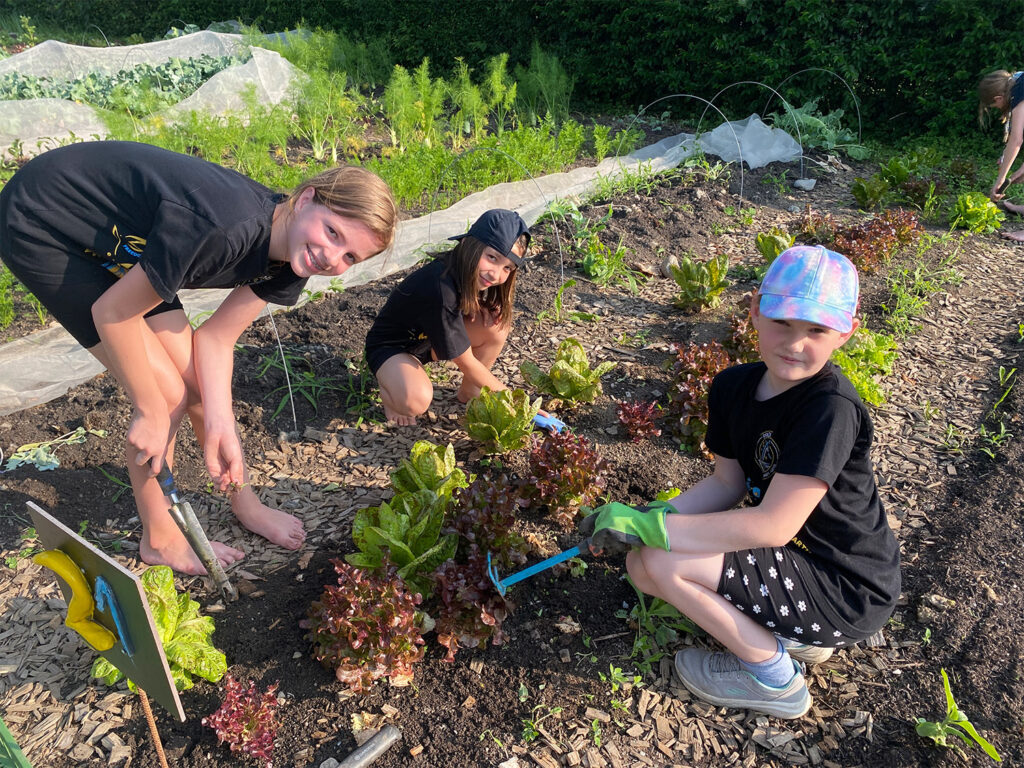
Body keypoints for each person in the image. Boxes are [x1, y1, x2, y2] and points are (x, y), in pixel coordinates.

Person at [0, 140, 398, 575]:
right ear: (305, 200)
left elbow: (215, 340)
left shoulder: (293, 256)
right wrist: (148, 409)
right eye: (333, 233)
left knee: (201, 388)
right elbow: (112, 314)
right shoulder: (223, 229)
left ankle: (244, 502)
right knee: (167, 395)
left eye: (349, 257)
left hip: (118, 236)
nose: (330, 257)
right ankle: (161, 537)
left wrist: (222, 421)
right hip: (43, 219)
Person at [581, 246, 901, 720]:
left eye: (816, 330)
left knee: (662, 563)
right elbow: (726, 483)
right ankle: (795, 635)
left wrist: (659, 534)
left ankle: (775, 679)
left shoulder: (829, 409)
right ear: (754, 310)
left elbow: (773, 526)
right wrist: (655, 515)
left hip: (848, 586)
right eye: (782, 323)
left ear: (846, 333)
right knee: (641, 568)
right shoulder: (732, 387)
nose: (795, 343)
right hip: (799, 564)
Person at [365, 208, 530, 426]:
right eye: (492, 257)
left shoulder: (464, 273)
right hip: (392, 348)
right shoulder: (439, 286)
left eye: (507, 268)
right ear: (470, 245)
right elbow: (466, 362)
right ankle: (391, 395)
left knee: (496, 323)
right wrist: (517, 404)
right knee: (416, 400)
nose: (496, 274)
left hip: (428, 340)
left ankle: (470, 390)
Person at [978, 70, 1024, 241]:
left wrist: (1000, 180)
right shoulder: (1018, 80)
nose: (997, 109)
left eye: (994, 106)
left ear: (998, 98)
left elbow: (1016, 139)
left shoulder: (1020, 90)